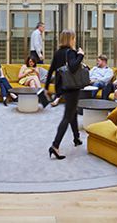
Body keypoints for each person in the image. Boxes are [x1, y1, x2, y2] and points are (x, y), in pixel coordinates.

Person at [47, 29, 84, 160]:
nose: (74, 40)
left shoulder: (58, 53)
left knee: (72, 112)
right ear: (70, 39)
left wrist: (46, 87)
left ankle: (76, 138)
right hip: (72, 88)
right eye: (73, 38)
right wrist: (80, 55)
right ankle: (55, 145)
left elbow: (51, 69)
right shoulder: (71, 52)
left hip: (62, 87)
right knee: (67, 116)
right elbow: (73, 67)